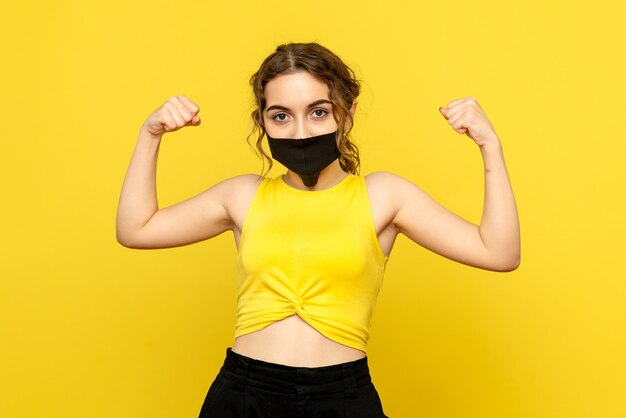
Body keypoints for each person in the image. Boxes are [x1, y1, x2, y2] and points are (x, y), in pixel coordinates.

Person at [116, 42, 520, 417]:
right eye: (281, 116)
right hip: (243, 395)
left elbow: (498, 253)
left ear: (346, 113)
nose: (302, 132)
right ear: (263, 122)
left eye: (319, 112)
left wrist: (491, 148)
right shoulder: (242, 196)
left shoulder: (384, 196)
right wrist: (150, 135)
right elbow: (137, 229)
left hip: (342, 397)